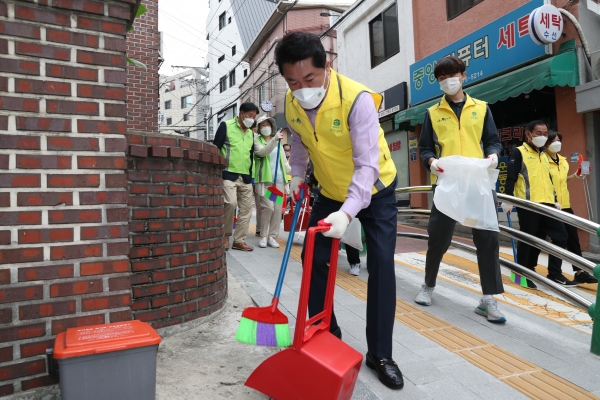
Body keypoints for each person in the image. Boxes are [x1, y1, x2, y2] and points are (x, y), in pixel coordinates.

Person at [276, 31, 403, 390]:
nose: (302, 88)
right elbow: (299, 140)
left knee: (380, 263)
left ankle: (381, 354)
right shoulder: (291, 101)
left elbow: (367, 166)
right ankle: (324, 332)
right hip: (329, 190)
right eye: (293, 81)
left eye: (309, 79)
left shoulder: (356, 99)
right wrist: (297, 175)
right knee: (313, 259)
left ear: (326, 67)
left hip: (375, 190)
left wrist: (347, 215)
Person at [416, 56, 506, 323]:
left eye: (452, 75)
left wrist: (493, 156)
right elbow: (425, 148)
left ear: (464, 76)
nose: (448, 81)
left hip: (478, 182)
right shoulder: (433, 113)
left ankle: (488, 299)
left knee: (488, 240)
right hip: (448, 183)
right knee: (438, 238)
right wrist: (430, 162)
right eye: (442, 78)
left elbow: (493, 142)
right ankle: (428, 285)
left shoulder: (482, 108)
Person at [504, 120, 574, 287]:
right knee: (529, 239)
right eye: (538, 133)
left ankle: (555, 273)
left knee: (561, 236)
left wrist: (555, 199)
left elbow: (549, 180)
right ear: (528, 134)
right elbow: (511, 177)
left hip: (548, 205)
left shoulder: (544, 154)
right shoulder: (519, 152)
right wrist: (507, 199)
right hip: (529, 204)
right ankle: (522, 272)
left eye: (544, 134)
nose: (542, 137)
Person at [544, 131, 597, 284]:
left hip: (565, 204)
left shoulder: (563, 160)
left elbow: (561, 181)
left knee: (573, 239)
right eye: (553, 140)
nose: (557, 143)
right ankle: (554, 272)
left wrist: (575, 175)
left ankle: (580, 272)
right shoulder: (543, 161)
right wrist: (552, 200)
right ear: (546, 143)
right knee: (560, 238)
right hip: (551, 205)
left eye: (559, 140)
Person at [213, 103, 259, 251]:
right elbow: (215, 148)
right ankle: (225, 236)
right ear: (242, 113)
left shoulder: (251, 133)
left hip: (245, 176)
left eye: (254, 117)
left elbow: (251, 155)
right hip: (228, 174)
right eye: (250, 116)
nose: (252, 119)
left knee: (246, 209)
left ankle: (239, 240)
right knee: (230, 203)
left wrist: (251, 175)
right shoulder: (226, 126)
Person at [253, 115, 288, 248]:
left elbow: (284, 163)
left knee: (277, 210)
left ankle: (272, 237)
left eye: (267, 124)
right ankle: (263, 235)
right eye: (262, 125)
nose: (265, 127)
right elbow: (263, 152)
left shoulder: (278, 142)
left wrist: (296, 172)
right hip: (265, 182)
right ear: (259, 128)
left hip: (278, 182)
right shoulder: (257, 141)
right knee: (268, 208)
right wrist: (274, 139)